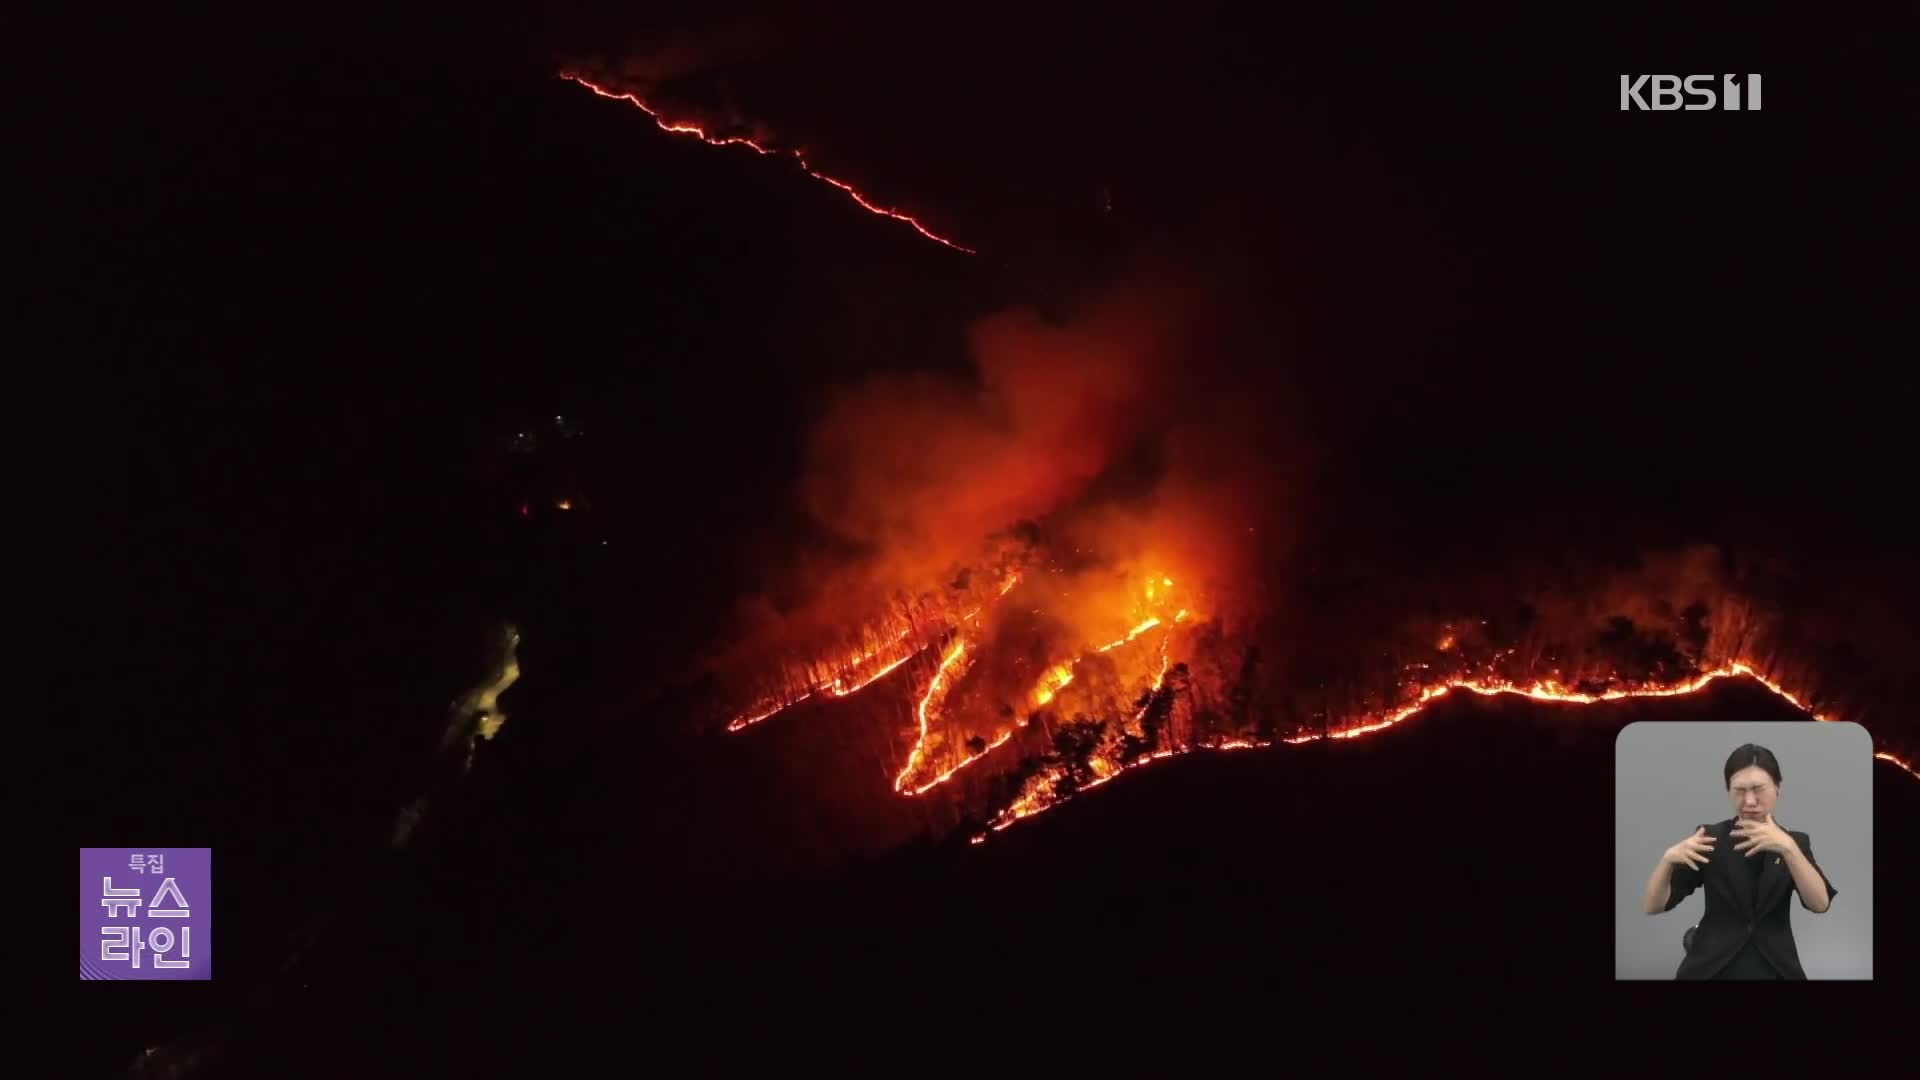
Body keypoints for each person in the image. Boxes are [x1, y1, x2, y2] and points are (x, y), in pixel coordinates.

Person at [1640, 743, 1838, 979]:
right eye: (1739, 790)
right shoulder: (1710, 837)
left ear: (1777, 789)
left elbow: (1819, 904)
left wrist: (1787, 848)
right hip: (1712, 967)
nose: (1750, 801)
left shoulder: (1796, 842)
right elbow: (1653, 906)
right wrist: (1667, 860)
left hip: (1775, 967)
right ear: (1728, 791)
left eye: (1758, 789)